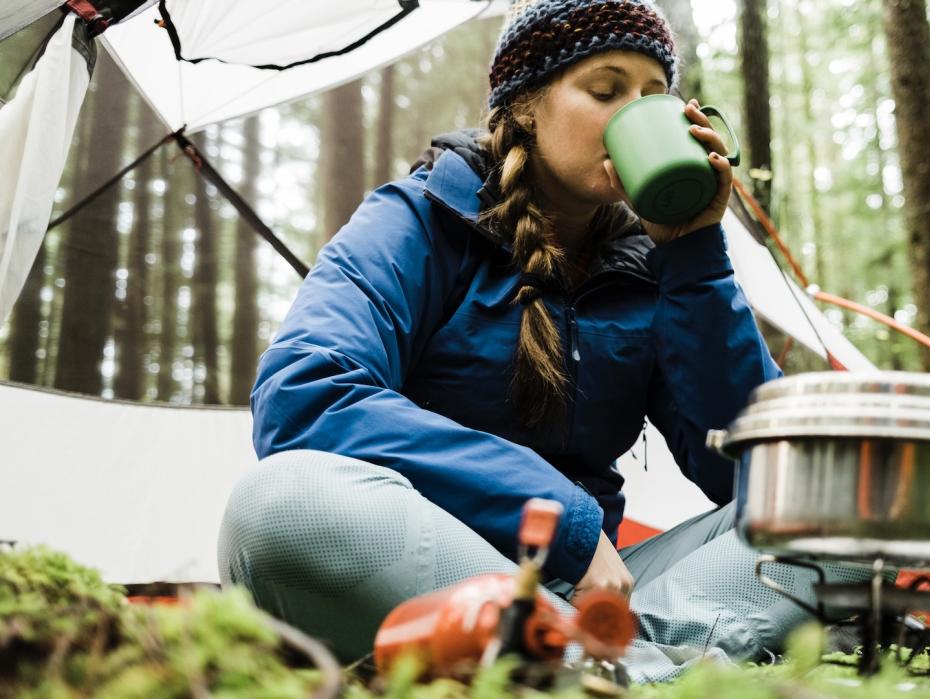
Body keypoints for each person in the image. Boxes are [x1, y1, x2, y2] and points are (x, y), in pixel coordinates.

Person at [218, 0, 868, 683]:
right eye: (605, 90)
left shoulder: (652, 267)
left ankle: (597, 667)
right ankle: (619, 666)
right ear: (525, 105)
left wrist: (696, 254)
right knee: (277, 502)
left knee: (845, 503)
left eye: (655, 96)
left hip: (608, 600)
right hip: (419, 572)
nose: (635, 114)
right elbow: (304, 395)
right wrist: (560, 520)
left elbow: (752, 475)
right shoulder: (418, 221)